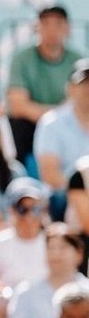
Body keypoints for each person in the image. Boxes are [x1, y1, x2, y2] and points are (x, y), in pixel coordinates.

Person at [7, 5, 83, 166]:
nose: (52, 30)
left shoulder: (78, 60)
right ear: (38, 28)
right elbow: (18, 105)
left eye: (58, 24)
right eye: (46, 24)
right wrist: (52, 118)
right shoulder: (22, 59)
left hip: (67, 124)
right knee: (17, 127)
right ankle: (17, 173)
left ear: (67, 28)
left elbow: (81, 100)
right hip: (31, 125)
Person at [7, 224, 89, 318]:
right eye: (50, 248)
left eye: (63, 247)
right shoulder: (26, 291)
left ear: (79, 254)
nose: (56, 254)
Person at [34, 58, 89, 213]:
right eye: (83, 83)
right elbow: (50, 175)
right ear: (70, 88)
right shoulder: (51, 123)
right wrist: (82, 192)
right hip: (63, 198)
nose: (87, 89)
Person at [0, 177, 50, 288]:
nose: (29, 216)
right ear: (10, 210)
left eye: (35, 209)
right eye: (22, 209)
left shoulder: (54, 244)